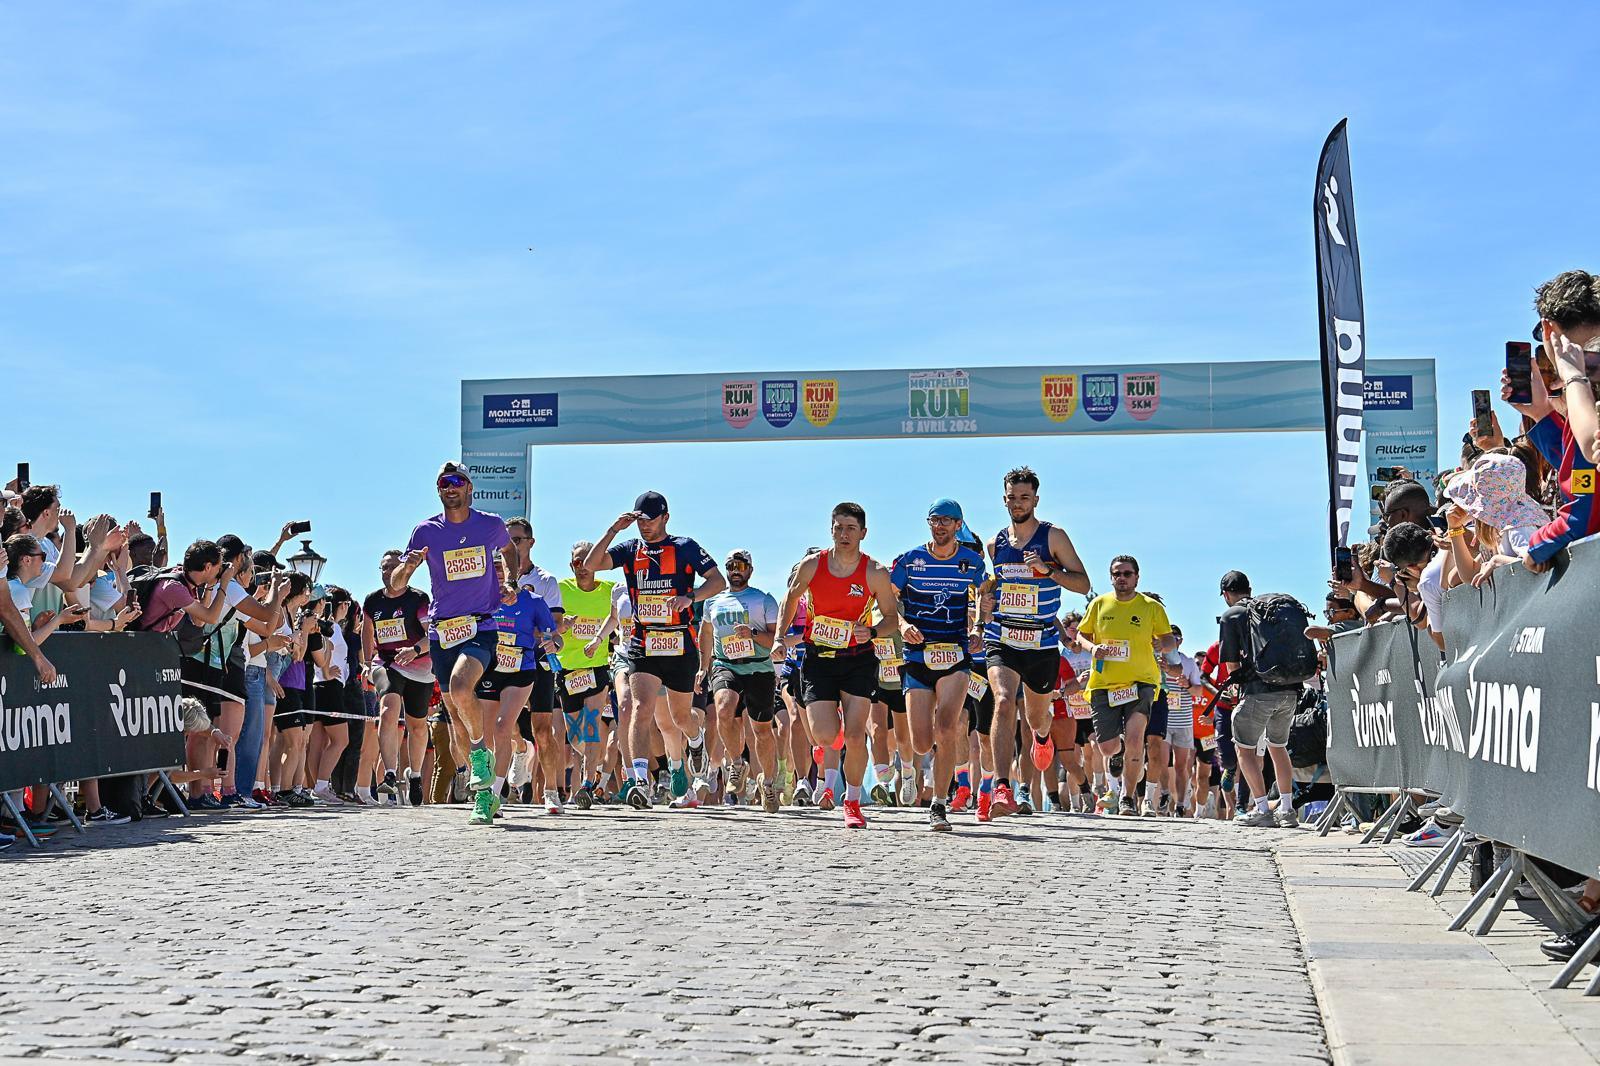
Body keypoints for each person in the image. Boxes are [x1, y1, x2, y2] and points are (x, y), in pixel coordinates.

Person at [388, 462, 517, 827]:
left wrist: (510, 580)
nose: (451, 487)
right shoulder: (426, 530)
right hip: (442, 631)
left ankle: (479, 759)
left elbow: (509, 551)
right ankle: (483, 795)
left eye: (457, 481)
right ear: (438, 489)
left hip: (481, 624)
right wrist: (409, 567)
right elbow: (396, 584)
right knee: (455, 716)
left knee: (462, 688)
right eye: (445, 483)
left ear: (469, 487)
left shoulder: (490, 524)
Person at [583, 491, 725, 809]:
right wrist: (613, 530)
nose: (644, 527)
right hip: (643, 643)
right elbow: (591, 565)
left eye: (649, 520)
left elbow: (719, 581)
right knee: (639, 709)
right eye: (639, 521)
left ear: (665, 518)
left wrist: (692, 597)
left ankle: (696, 738)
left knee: (679, 717)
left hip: (679, 644)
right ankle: (641, 782)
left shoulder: (684, 547)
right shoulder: (631, 548)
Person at [777, 502, 900, 830]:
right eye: (838, 527)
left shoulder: (874, 571)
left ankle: (853, 802)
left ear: (863, 533)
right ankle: (837, 730)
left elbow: (891, 620)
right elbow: (790, 599)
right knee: (825, 734)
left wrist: (871, 631)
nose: (844, 534)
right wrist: (778, 638)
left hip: (858, 659)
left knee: (857, 735)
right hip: (819, 658)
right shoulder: (812, 566)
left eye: (850, 528)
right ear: (830, 530)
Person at [980, 466, 1091, 816]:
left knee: (1037, 717)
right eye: (1012, 498)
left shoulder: (1053, 536)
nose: (1017, 503)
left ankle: (1042, 739)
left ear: (1036, 500)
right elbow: (998, 587)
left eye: (1024, 497)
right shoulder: (994, 543)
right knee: (1001, 700)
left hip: (1041, 643)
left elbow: (1082, 584)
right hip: (1003, 637)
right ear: (1004, 500)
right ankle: (1002, 787)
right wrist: (986, 600)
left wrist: (1049, 571)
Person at [890, 498, 987, 832]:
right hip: (917, 657)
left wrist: (978, 628)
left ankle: (939, 804)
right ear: (928, 523)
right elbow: (886, 601)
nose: (941, 525)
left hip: (956, 655)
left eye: (948, 520)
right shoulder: (911, 560)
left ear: (959, 525)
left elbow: (985, 597)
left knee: (947, 728)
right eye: (935, 519)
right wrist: (902, 627)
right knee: (920, 742)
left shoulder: (971, 562)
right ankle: (927, 766)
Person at [1075, 555, 1172, 816]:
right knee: (1107, 747)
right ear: (1111, 577)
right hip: (1104, 684)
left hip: (1142, 682)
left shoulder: (1151, 607)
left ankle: (1128, 797)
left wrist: (1162, 644)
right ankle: (1117, 756)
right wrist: (1093, 648)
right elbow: (1081, 635)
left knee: (1135, 738)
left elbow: (1169, 639)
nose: (1122, 578)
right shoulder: (1099, 604)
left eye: (1127, 574)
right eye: (1117, 573)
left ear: (1137, 577)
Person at [697, 549, 782, 813]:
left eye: (741, 565)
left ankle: (768, 783)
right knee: (723, 709)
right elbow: (706, 634)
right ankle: (736, 763)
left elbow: (774, 640)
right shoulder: (713, 602)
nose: (736, 570)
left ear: (750, 570)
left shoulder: (763, 600)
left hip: (759, 668)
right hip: (726, 666)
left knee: (762, 731)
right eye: (731, 565)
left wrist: (752, 634)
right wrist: (703, 667)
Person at [1218, 570, 1301, 828]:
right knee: (1278, 747)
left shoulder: (1232, 615)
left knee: (1245, 750)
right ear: (1249, 589)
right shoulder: (1271, 610)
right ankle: (1287, 809)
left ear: (1225, 595)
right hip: (1289, 690)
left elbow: (1231, 664)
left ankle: (1262, 808)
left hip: (1257, 692)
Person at [475, 579, 559, 825]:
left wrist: (554, 644)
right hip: (491, 669)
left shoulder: (536, 596)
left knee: (533, 729)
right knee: (490, 731)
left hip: (527, 666)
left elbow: (553, 632)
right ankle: (520, 749)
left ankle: (548, 792)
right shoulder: (481, 596)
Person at [363, 550, 434, 807]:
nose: (387, 572)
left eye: (392, 567)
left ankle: (414, 775)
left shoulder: (418, 598)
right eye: (383, 567)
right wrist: (366, 662)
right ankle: (390, 774)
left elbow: (432, 636)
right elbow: (367, 632)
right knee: (388, 707)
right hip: (387, 662)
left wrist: (415, 650)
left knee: (417, 725)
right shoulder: (372, 601)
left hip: (419, 665)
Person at [556, 540, 617, 810]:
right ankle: (595, 762)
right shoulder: (561, 590)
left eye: (587, 561)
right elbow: (546, 626)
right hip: (567, 670)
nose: (582, 567)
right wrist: (560, 626)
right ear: (571, 565)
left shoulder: (610, 591)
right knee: (575, 737)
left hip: (596, 668)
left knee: (592, 726)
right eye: (577, 562)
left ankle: (587, 784)